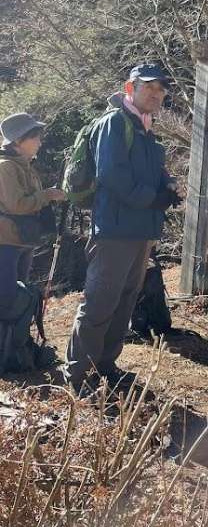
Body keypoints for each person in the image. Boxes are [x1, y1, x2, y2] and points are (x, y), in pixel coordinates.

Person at [64, 64, 182, 393]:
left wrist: (168, 186)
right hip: (115, 230)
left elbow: (152, 174)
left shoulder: (146, 129)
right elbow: (113, 175)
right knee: (101, 301)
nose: (156, 94)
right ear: (130, 88)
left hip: (140, 230)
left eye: (161, 89)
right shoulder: (114, 122)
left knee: (126, 300)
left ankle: (105, 365)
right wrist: (153, 199)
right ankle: (78, 374)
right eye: (149, 87)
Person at [0, 113, 65, 371]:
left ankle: (15, 350)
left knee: (18, 299)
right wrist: (47, 195)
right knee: (7, 299)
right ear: (19, 141)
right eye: (35, 136)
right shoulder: (6, 167)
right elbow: (17, 205)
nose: (39, 141)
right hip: (5, 244)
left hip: (20, 243)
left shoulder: (25, 166)